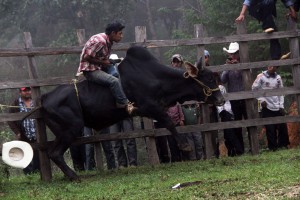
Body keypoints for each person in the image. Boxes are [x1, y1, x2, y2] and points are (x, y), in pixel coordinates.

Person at [76, 21, 135, 114]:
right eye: (120, 33)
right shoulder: (100, 41)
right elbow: (86, 57)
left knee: (116, 74)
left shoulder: (109, 41)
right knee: (114, 81)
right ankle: (123, 103)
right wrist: (104, 62)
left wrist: (108, 61)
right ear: (113, 33)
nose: (122, 36)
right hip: (91, 70)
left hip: (99, 66)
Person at [252, 66, 290, 151]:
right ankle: (273, 148)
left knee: (282, 126)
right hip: (266, 105)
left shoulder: (278, 78)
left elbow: (281, 92)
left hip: (277, 105)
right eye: (269, 66)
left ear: (276, 68)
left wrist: (281, 106)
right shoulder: (260, 76)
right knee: (270, 128)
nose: (271, 67)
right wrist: (261, 100)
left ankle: (283, 146)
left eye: (273, 66)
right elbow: (254, 89)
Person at [7, 87, 40, 175]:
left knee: (38, 155)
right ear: (20, 92)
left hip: (37, 134)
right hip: (24, 135)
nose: (27, 92)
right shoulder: (15, 104)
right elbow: (9, 119)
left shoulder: (36, 102)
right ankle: (28, 176)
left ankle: (38, 174)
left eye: (28, 90)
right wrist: (17, 132)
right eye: (24, 91)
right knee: (25, 156)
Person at [221, 42, 246, 155]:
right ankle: (240, 150)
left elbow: (248, 75)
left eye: (234, 53)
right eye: (231, 54)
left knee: (250, 123)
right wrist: (228, 68)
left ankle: (254, 146)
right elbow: (223, 80)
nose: (232, 56)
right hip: (234, 99)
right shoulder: (228, 66)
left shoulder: (245, 63)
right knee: (237, 125)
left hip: (246, 98)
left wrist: (239, 66)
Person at [216, 78, 244, 156]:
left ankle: (239, 150)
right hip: (222, 112)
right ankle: (232, 152)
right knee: (226, 135)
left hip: (225, 111)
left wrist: (222, 111)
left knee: (230, 133)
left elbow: (221, 101)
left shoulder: (220, 87)